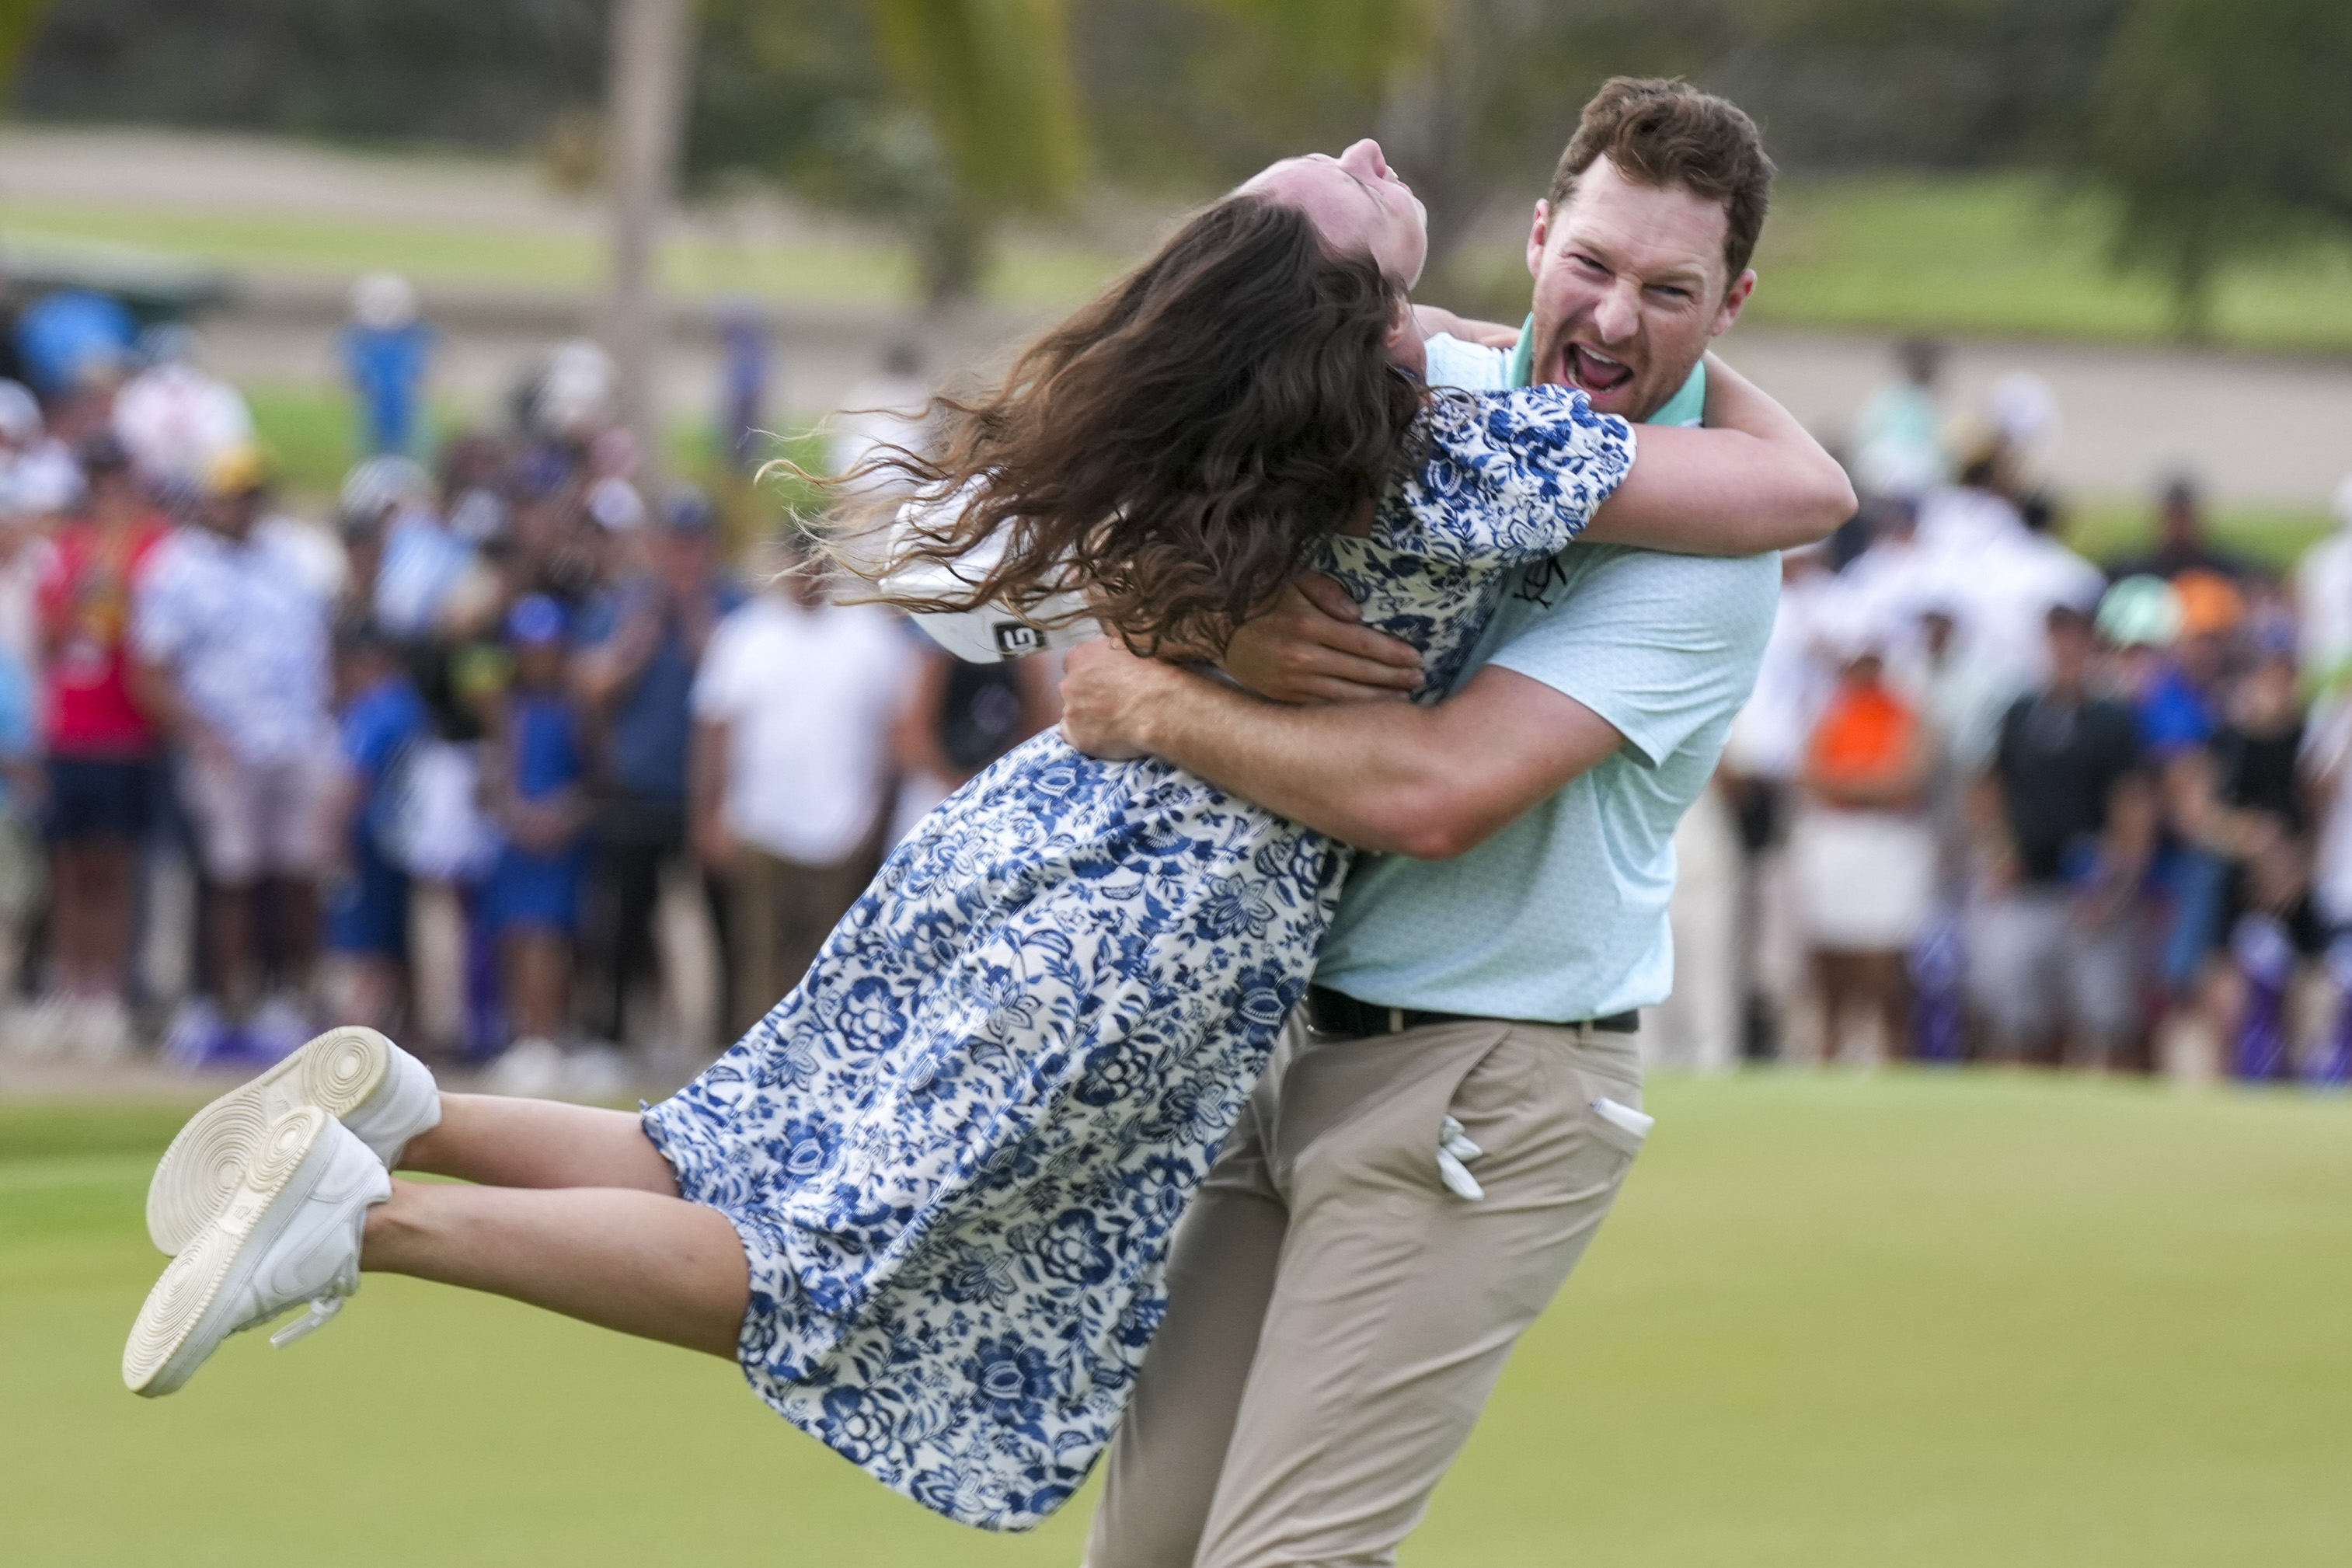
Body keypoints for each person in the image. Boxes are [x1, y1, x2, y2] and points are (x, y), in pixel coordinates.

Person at [122, 124, 1848, 1544]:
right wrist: (1177, 668)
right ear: (1366, 317)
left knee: (732, 1145)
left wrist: (1169, 646)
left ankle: (416, 1112)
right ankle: (365, 1216)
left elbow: (1032, 565)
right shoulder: (1460, 440)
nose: (1368, 146)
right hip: (1165, 922)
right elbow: (1808, 495)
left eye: (1665, 288)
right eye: (1338, 184)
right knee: (819, 1273)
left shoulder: (1247, 406)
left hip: (1022, 845)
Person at [1057, 82, 1808, 1567]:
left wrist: (1154, 700)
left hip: (1487, 1080)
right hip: (1282, 1047)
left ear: (1729, 308)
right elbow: (1141, 482)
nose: (1612, 318)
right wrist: (1206, 621)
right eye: (1590, 264)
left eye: (1669, 290)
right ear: (1534, 240)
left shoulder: (1718, 549)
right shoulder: (1425, 388)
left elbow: (1439, 792)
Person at [131, 445, 338, 1061]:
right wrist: (201, 736)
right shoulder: (178, 568)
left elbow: (319, 647)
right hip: (225, 745)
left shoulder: (293, 560)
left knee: (300, 875)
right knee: (234, 879)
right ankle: (230, 1005)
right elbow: (152, 670)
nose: (244, 505)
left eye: (252, 493)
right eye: (232, 493)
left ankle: (295, 1000)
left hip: (296, 739)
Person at [688, 528, 912, 1037]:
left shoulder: (870, 637)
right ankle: (758, 1064)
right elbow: (715, 730)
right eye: (798, 562)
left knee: (831, 955)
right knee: (760, 952)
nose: (806, 574)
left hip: (844, 823)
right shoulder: (744, 634)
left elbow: (890, 736)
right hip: (759, 820)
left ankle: (822, 1061)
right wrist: (708, 814)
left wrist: (878, 815)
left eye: (816, 562)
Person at [572, 488, 742, 1051]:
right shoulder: (624, 604)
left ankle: (727, 1039)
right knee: (623, 925)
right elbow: (591, 686)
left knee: (726, 930)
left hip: (709, 797)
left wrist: (695, 623)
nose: (682, 558)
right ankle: (615, 1036)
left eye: (693, 546)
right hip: (637, 792)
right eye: (673, 545)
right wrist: (637, 641)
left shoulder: (733, 606)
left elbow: (737, 681)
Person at [1967, 604, 2157, 1067]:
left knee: (2107, 1020)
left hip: (2086, 889)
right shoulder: (2020, 712)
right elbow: (1987, 787)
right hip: (2029, 883)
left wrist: (2116, 885)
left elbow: (2132, 806)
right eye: (2057, 639)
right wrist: (1996, 852)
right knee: (2027, 1020)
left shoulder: (2111, 720)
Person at [37, 433, 169, 1057]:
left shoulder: (152, 549)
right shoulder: (65, 551)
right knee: (67, 866)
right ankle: (70, 987)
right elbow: (51, 634)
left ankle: (107, 995)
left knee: (113, 867)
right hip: (70, 726)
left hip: (123, 730)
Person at [1789, 636, 1936, 1064]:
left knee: (1887, 964)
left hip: (1886, 844)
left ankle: (1895, 1058)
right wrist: (1869, 783)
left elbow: (1907, 778)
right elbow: (1811, 774)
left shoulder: (1905, 712)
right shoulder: (1830, 712)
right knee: (1831, 959)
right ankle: (1831, 1055)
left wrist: (1850, 784)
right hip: (1837, 842)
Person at [478, 596, 590, 1074]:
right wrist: (515, 813)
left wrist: (564, 814)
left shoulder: (576, 709)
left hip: (561, 844)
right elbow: (494, 777)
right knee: (516, 939)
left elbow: (594, 778)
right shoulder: (506, 710)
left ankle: (549, 1036)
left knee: (550, 941)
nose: (538, 659)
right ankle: (523, 1036)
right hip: (515, 842)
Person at [320, 625, 430, 1038]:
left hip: (374, 840)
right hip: (403, 840)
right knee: (396, 941)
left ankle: (353, 1034)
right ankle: (411, 1032)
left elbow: (353, 781)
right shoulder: (409, 704)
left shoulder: (378, 707)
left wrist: (331, 839)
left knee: (371, 946)